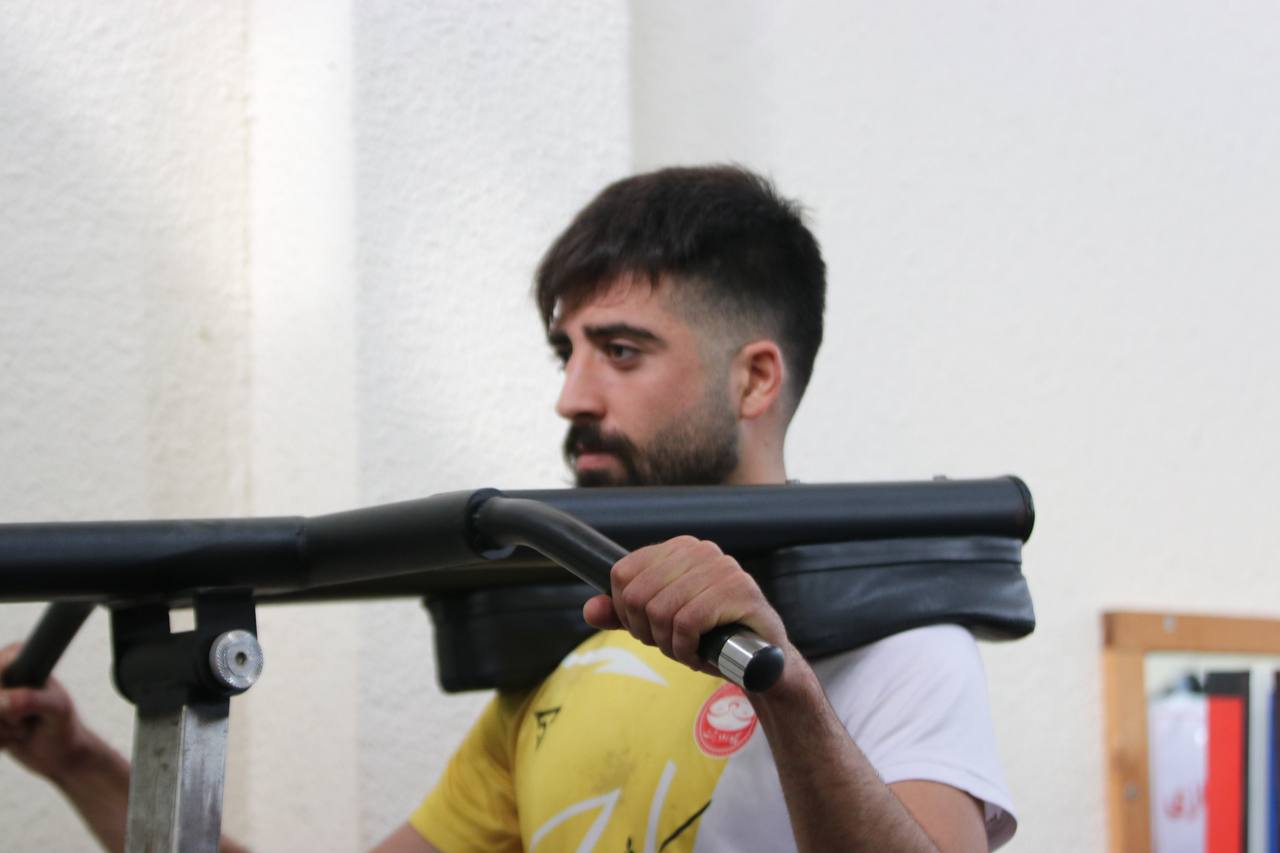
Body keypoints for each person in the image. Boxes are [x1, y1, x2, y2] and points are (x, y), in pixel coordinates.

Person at [0, 165, 1015, 852]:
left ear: (753, 378)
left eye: (620, 351)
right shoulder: (571, 653)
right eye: (565, 352)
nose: (571, 396)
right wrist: (77, 760)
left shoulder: (897, 638)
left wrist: (782, 687)